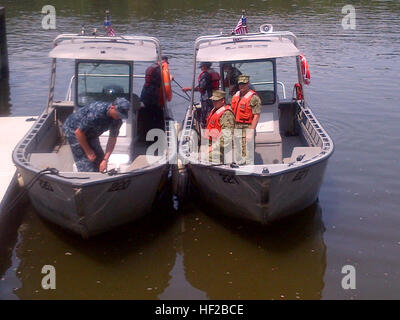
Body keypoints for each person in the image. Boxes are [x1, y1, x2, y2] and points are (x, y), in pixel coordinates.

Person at [63, 97, 130, 172]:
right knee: (87, 162)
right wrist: (88, 151)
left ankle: (99, 179)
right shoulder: (97, 113)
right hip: (73, 130)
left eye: (121, 116)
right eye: (118, 114)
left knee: (100, 160)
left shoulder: (117, 121)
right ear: (112, 108)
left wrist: (105, 160)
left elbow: (112, 139)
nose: (119, 117)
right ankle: (87, 176)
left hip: (92, 133)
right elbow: (78, 132)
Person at [231, 75, 262, 165]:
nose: (242, 86)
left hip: (247, 127)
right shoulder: (236, 95)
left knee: (248, 151)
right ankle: (240, 166)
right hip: (236, 126)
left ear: (248, 84)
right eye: (240, 84)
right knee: (238, 149)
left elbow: (256, 115)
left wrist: (251, 131)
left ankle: (248, 169)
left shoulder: (254, 98)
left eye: (244, 84)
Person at [182, 62, 220, 128]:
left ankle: (206, 127)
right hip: (215, 97)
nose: (201, 69)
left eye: (202, 67)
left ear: (205, 66)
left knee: (206, 114)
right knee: (212, 112)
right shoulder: (214, 72)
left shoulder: (205, 75)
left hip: (207, 98)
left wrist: (188, 89)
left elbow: (201, 87)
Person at [140, 56, 170, 135]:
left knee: (147, 111)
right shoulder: (158, 70)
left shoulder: (151, 67)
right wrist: (169, 78)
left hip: (145, 92)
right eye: (166, 62)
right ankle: (157, 132)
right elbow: (161, 80)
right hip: (153, 93)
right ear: (163, 61)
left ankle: (145, 132)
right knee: (156, 112)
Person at [204, 90, 235, 163]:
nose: (214, 102)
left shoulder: (226, 114)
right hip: (212, 142)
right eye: (213, 100)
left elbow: (226, 137)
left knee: (209, 157)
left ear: (222, 101)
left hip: (221, 145)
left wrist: (212, 147)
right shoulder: (215, 109)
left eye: (216, 101)